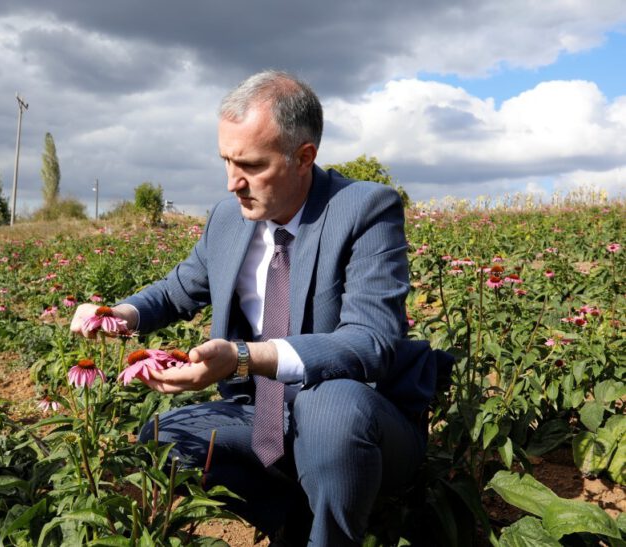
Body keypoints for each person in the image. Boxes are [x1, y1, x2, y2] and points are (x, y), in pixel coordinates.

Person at [71, 70, 451, 546]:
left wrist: (244, 356)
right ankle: (289, 518)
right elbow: (175, 291)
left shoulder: (364, 209)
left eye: (250, 165)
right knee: (165, 439)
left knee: (329, 407)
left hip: (360, 419)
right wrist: (118, 314)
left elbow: (370, 342)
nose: (233, 182)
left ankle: (333, 535)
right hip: (264, 415)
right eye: (226, 161)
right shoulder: (230, 218)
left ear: (304, 157)